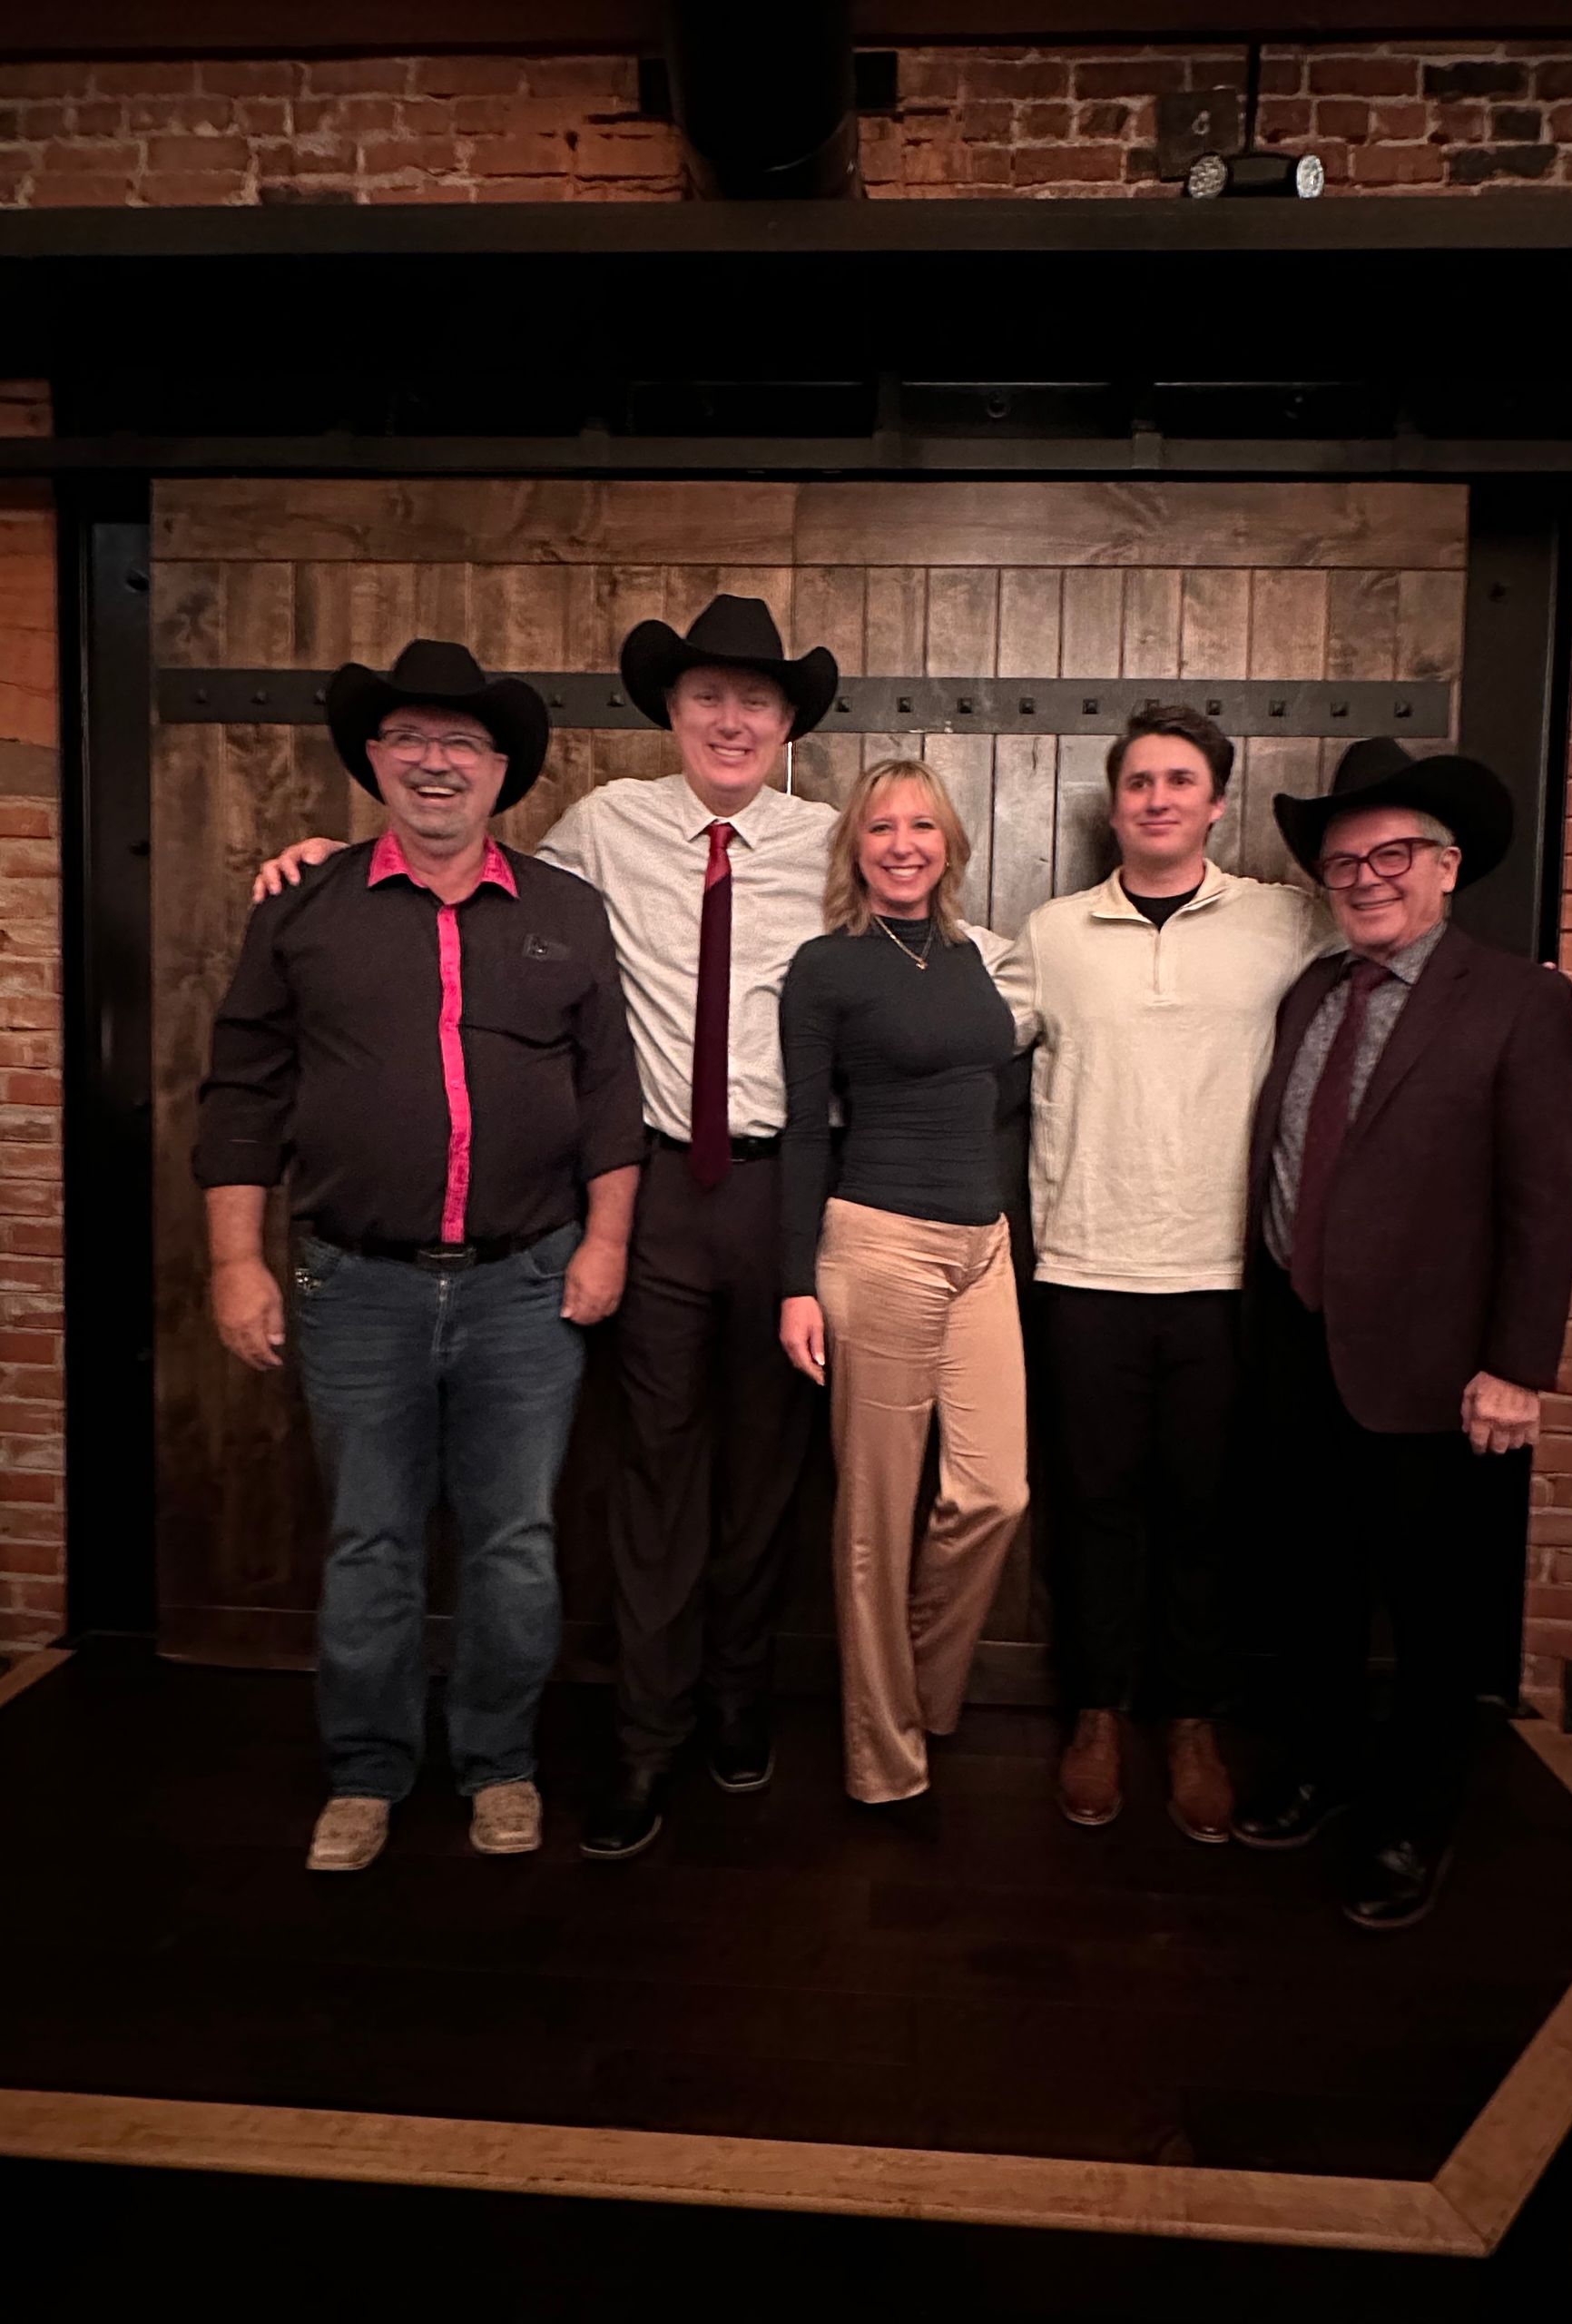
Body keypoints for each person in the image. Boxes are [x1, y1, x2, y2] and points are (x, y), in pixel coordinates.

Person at [255, 597, 840, 1862]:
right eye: (706, 697)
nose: (730, 720)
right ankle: (645, 1736)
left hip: (783, 1187)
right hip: (649, 1187)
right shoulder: (602, 828)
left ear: (788, 723)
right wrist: (328, 859)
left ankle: (738, 1698)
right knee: (652, 1475)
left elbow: (924, 936)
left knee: (768, 1472)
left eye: (755, 700)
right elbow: (450, 861)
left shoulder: (835, 845)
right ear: (671, 712)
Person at [199, 639, 644, 1873]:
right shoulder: (302, 905)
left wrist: (606, 1242)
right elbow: (241, 1093)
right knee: (369, 1542)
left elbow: (611, 1094)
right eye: (409, 738)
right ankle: (367, 1771)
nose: (435, 761)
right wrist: (234, 1261)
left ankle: (498, 1761)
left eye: (462, 742)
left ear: (501, 771)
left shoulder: (567, 911)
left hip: (528, 1284)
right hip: (354, 1285)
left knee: (516, 1543)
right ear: (374, 759)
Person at [1234, 737, 1572, 1931]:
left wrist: (1518, 1367)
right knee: (1313, 1589)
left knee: (1435, 1616)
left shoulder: (1521, 1001)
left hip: (1439, 1368)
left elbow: (1546, 1198)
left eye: (1393, 854)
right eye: (1345, 861)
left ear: (1447, 865)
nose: (1367, 877)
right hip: (1299, 1339)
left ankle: (1415, 1819)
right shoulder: (1310, 994)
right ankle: (1324, 1768)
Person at [997, 708, 1335, 1843]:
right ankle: (1096, 1713)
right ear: (1115, 803)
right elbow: (959, 1035)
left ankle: (1192, 1720)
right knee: (1093, 1505)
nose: (1157, 798)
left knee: (1207, 1510)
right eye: (1139, 780)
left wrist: (1534, 995)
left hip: (1227, 1271)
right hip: (1087, 1263)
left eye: (1180, 780)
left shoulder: (1286, 921)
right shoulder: (1053, 932)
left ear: (1216, 803)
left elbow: (1401, 963)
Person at [777, 759, 1027, 1807]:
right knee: (875, 1523)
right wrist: (796, 1282)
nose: (903, 844)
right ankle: (882, 1760)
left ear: (949, 844)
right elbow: (803, 1131)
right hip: (879, 1243)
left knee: (994, 1493)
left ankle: (914, 1691)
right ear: (856, 847)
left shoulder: (975, 955)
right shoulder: (825, 967)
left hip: (984, 1249)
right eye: (881, 827)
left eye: (922, 825)